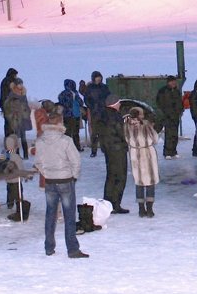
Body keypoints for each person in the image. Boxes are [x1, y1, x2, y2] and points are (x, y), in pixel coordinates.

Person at [32, 111, 88, 258]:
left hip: (50, 181)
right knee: (69, 215)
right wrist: (73, 176)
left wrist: (46, 173)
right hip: (65, 180)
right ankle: (72, 249)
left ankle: (48, 247)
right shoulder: (66, 140)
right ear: (59, 123)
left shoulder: (40, 141)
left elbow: (38, 162)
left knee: (50, 214)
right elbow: (76, 161)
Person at [123, 106, 160, 217]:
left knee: (139, 182)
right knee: (150, 182)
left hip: (135, 154)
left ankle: (141, 209)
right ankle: (149, 209)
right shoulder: (146, 125)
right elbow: (155, 139)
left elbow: (126, 139)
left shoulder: (126, 126)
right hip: (148, 154)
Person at [100, 95, 130, 213]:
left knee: (110, 176)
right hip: (118, 150)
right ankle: (116, 204)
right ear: (114, 104)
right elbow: (121, 133)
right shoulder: (116, 116)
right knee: (120, 177)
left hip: (108, 150)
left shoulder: (102, 115)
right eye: (118, 102)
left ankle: (107, 203)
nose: (120, 104)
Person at [3, 78, 34, 161]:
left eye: (21, 83)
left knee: (23, 137)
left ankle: (26, 155)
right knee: (15, 137)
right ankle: (17, 155)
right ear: (15, 85)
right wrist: (11, 116)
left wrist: (27, 113)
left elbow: (26, 105)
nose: (21, 85)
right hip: (15, 119)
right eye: (19, 84)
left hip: (23, 118)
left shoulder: (23, 94)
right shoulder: (11, 94)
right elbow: (7, 106)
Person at [83, 71, 111, 157]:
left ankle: (104, 148)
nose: (98, 79)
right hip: (94, 112)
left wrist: (107, 106)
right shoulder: (90, 88)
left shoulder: (104, 87)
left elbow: (109, 97)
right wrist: (92, 106)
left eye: (100, 77)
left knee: (104, 132)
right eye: (97, 77)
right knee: (94, 132)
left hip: (104, 112)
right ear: (93, 78)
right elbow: (86, 99)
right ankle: (93, 150)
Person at [154, 75, 182, 159]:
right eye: (172, 81)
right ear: (168, 82)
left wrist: (180, 110)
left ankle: (174, 151)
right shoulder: (163, 91)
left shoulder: (177, 91)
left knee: (175, 134)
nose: (174, 83)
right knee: (169, 134)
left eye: (175, 81)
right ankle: (167, 152)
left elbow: (179, 103)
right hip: (168, 116)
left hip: (176, 116)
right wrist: (167, 113)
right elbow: (160, 103)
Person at [58, 79, 85, 152]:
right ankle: (68, 149)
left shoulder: (75, 93)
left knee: (76, 133)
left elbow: (81, 102)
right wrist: (72, 99)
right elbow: (64, 103)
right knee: (68, 133)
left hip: (76, 115)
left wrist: (76, 97)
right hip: (68, 115)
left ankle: (77, 147)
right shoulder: (63, 94)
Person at [0, 68, 20, 139]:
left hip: (5, 104)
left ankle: (8, 138)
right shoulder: (11, 82)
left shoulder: (4, 80)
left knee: (7, 123)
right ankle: (11, 139)